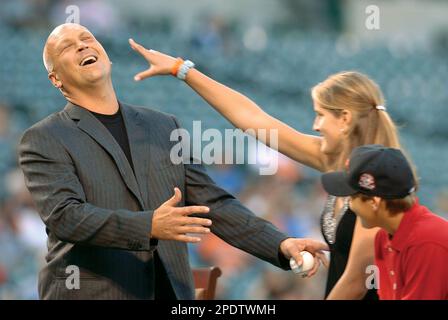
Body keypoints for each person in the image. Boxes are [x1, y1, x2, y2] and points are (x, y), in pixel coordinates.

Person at [18, 23, 328, 300]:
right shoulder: (44, 138)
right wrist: (148, 226)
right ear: (56, 79)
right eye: (67, 47)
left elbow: (213, 205)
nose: (82, 44)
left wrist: (280, 243)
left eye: (87, 38)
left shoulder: (163, 126)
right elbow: (66, 217)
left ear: (106, 56)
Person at [128, 39, 419, 299]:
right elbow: (252, 119)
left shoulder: (375, 180)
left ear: (344, 118)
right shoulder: (335, 158)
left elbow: (356, 281)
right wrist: (183, 69)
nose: (315, 125)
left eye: (320, 115)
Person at [321, 145, 448, 300]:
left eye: (352, 197)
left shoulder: (427, 242)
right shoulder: (384, 236)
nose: (350, 205)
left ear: (374, 202)